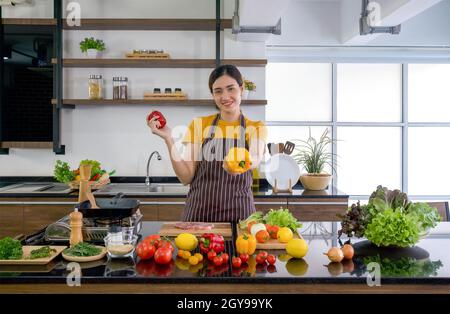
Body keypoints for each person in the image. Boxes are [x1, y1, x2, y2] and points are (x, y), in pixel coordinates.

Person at [148, 65, 267, 222]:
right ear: (212, 95)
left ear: (241, 88)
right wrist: (168, 139)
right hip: (199, 215)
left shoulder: (255, 127)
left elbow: (255, 156)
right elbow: (186, 178)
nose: (225, 96)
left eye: (230, 88)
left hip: (240, 216)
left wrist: (238, 164)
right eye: (218, 91)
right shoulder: (199, 124)